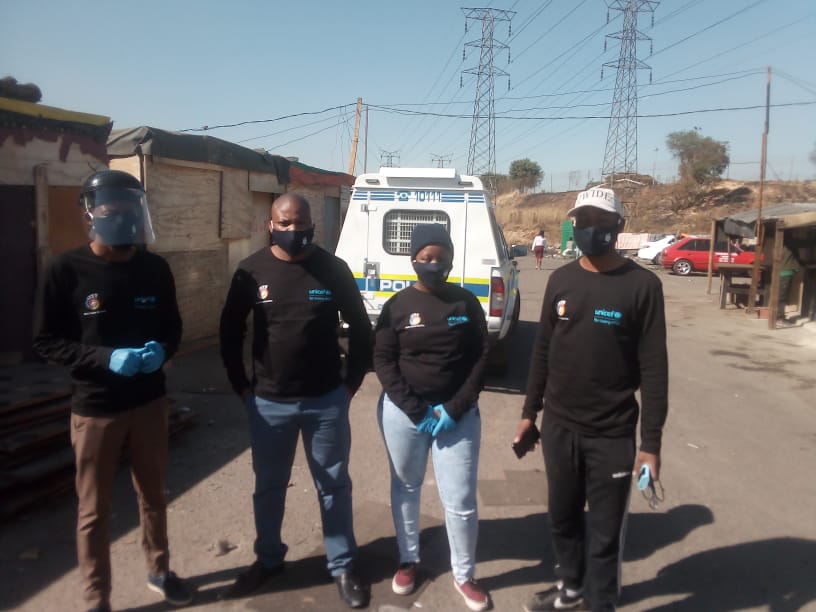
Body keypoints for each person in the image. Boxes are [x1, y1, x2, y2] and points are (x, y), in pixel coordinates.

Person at [33, 169, 190, 612]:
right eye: (110, 207)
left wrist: (164, 350)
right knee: (93, 510)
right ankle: (96, 596)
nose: (120, 215)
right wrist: (105, 359)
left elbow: (173, 327)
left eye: (129, 207)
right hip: (96, 409)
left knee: (154, 496)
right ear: (90, 214)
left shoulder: (154, 268)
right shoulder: (65, 270)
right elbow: (45, 342)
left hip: (149, 404)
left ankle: (160, 570)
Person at [515, 187, 668, 612]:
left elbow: (655, 370)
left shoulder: (643, 286)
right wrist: (530, 414)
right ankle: (571, 590)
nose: (591, 229)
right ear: (574, 225)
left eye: (602, 222)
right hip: (561, 429)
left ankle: (600, 602)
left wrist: (650, 444)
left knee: (603, 536)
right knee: (562, 521)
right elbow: (542, 350)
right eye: (584, 221)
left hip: (612, 435)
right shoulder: (560, 281)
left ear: (619, 228)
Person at [219, 193, 372, 609]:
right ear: (270, 225)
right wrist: (242, 388)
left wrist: (350, 385)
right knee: (268, 487)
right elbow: (229, 333)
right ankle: (268, 559)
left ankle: (342, 565)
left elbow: (361, 328)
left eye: (300, 223)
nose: (293, 230)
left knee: (333, 486)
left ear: (312, 225)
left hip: (326, 401)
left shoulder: (332, 270)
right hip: (269, 404)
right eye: (284, 223)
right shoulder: (250, 272)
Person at [373, 223, 491, 612]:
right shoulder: (397, 306)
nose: (433, 264)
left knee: (459, 500)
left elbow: (480, 358)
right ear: (413, 260)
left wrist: (453, 409)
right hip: (406, 415)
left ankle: (464, 574)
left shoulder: (466, 303)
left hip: (457, 417)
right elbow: (383, 361)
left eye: (440, 258)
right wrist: (415, 409)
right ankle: (409, 560)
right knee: (406, 487)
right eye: (426, 258)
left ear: (451, 260)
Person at [776, 242, 801, 326]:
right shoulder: (790, 245)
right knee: (782, 296)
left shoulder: (781, 245)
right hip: (785, 273)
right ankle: (779, 318)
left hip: (782, 272)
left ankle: (779, 317)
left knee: (781, 296)